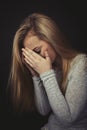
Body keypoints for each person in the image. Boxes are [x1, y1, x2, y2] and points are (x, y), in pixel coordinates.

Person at [8, 13, 87, 130]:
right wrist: (35, 76)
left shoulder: (81, 65)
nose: (36, 60)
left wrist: (46, 74)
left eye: (38, 50)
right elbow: (44, 110)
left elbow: (68, 119)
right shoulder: (52, 68)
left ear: (51, 38)